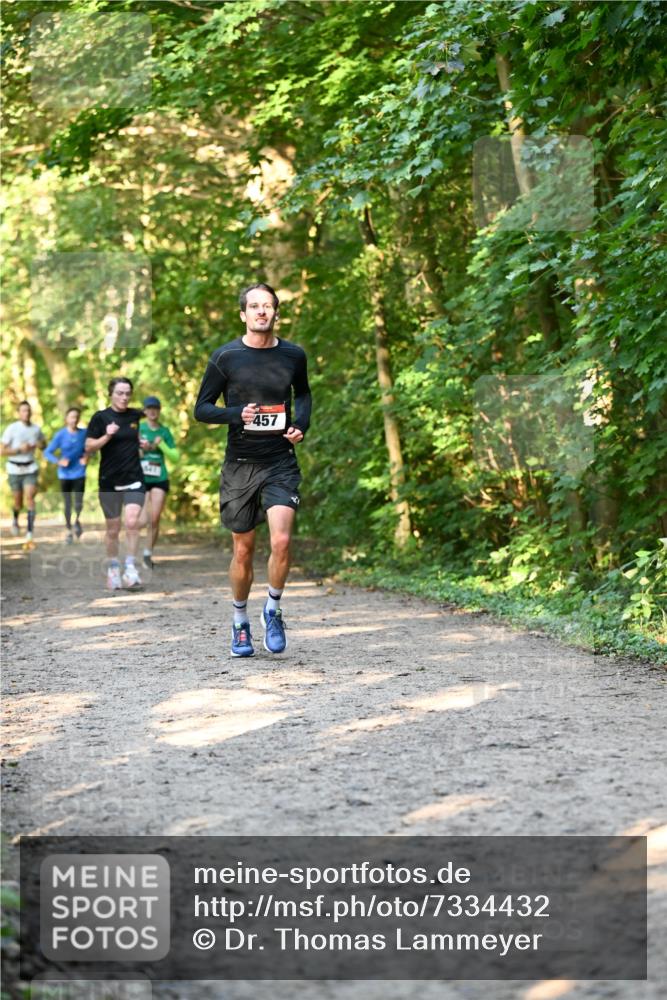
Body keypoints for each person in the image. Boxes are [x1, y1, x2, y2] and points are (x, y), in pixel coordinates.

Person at [194, 281, 311, 657]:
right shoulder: (225, 357)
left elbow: (304, 394)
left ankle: (273, 610)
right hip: (240, 464)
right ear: (243, 314)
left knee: (281, 541)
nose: (262, 311)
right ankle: (240, 622)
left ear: (276, 313)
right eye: (255, 306)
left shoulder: (293, 355)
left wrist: (301, 425)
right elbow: (202, 408)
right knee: (243, 550)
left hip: (280, 460)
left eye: (268, 306)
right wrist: (236, 414)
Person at [85, 377, 145, 591]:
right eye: (120, 393)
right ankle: (113, 568)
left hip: (134, 478)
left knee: (132, 522)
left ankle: (130, 568)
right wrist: (106, 436)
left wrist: (143, 443)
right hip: (109, 481)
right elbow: (90, 446)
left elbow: (145, 429)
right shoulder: (100, 418)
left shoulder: (136, 415)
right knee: (113, 529)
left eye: (128, 393)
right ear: (111, 393)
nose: (124, 397)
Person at [138, 396, 179, 569]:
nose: (152, 411)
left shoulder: (164, 431)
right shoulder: (138, 429)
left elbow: (175, 457)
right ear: (145, 411)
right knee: (139, 521)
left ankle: (147, 554)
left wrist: (161, 445)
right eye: (149, 408)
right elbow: (127, 453)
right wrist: (141, 448)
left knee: (154, 519)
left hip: (159, 478)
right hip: (140, 478)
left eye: (156, 408)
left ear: (159, 411)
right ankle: (132, 550)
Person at [1, 400, 46, 548]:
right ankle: (15, 518)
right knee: (18, 502)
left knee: (30, 498)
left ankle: (29, 534)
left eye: (28, 410)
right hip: (14, 468)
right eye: (23, 411)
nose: (26, 413)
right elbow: (2, 451)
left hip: (30, 468)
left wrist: (40, 444)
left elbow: (44, 444)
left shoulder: (36, 429)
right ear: (19, 413)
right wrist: (19, 449)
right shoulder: (12, 429)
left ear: (31, 412)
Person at [44, 406, 88, 543]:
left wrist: (87, 456)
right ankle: (69, 530)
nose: (74, 419)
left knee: (79, 502)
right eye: (71, 417)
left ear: (79, 419)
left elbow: (91, 447)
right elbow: (47, 452)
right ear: (66, 419)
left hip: (80, 472)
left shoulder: (84, 433)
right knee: (67, 502)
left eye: (76, 417)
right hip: (64, 474)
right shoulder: (60, 435)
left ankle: (77, 521)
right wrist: (59, 461)